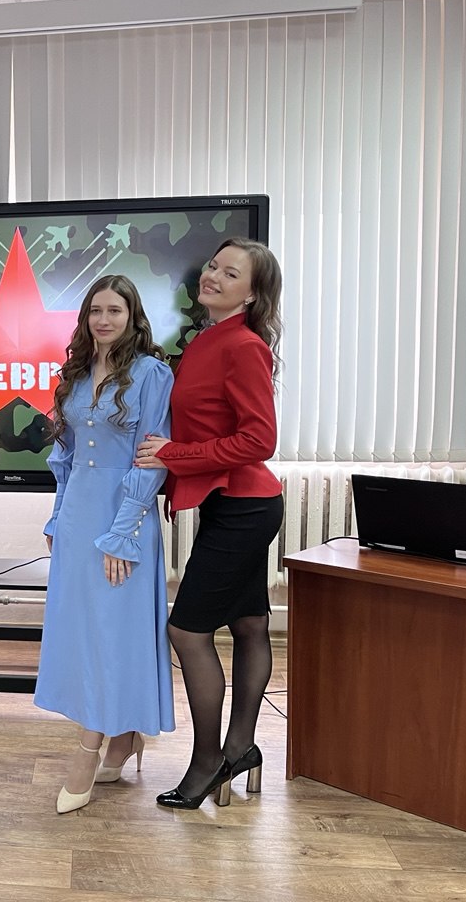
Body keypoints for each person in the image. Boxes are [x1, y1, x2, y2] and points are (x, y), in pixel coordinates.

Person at [136, 237, 284, 810]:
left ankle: (208, 761)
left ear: (251, 294)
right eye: (214, 266)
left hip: (246, 508)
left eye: (231, 273)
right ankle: (241, 749)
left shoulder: (243, 346)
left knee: (187, 631)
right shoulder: (206, 339)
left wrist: (174, 455)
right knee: (247, 625)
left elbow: (259, 440)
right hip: (233, 505)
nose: (214, 276)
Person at [34, 274, 175, 814]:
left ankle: (87, 754)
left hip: (124, 519)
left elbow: (154, 457)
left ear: (133, 315)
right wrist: (57, 516)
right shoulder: (74, 374)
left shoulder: (151, 374)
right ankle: (122, 737)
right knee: (83, 634)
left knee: (112, 635)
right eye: (96, 310)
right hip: (77, 516)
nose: (104, 319)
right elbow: (66, 458)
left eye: (115, 309)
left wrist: (123, 533)